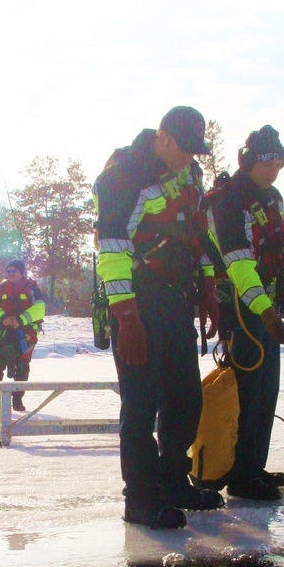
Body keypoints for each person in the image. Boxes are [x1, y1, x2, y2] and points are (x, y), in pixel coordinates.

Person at [93, 105, 222, 529]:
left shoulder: (190, 176)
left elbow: (198, 233)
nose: (190, 156)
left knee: (186, 397)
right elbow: (110, 249)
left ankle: (172, 481)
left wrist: (208, 287)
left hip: (175, 300)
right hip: (136, 301)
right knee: (141, 403)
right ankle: (141, 499)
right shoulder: (122, 176)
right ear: (163, 137)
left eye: (195, 150)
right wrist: (126, 316)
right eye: (184, 147)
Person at [207, 125, 284, 501]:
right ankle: (239, 475)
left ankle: (253, 465)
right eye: (265, 162)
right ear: (247, 160)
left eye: (277, 162)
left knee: (266, 390)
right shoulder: (229, 201)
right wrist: (264, 311)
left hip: (266, 304)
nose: (271, 170)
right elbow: (239, 264)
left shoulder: (273, 197)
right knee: (245, 392)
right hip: (242, 306)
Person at [0, 259, 46, 412]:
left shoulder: (32, 289)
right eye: (8, 271)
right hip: (2, 333)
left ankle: (17, 401)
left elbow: (40, 308)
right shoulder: (0, 289)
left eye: (14, 271)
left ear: (22, 272)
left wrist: (20, 320)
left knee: (22, 368)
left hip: (24, 335)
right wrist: (3, 318)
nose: (10, 274)